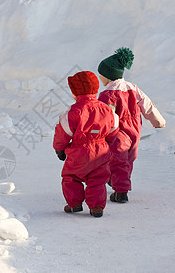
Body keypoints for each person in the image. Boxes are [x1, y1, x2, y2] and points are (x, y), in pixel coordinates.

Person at [97, 47, 166, 203]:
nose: (100, 79)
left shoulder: (108, 95)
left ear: (108, 76)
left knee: (118, 160)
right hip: (135, 130)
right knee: (128, 159)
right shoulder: (133, 88)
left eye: (101, 76)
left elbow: (105, 116)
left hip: (118, 132)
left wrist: (99, 132)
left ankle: (121, 191)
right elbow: (147, 105)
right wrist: (158, 121)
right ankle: (119, 182)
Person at [53, 71, 119, 217]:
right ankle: (96, 207)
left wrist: (59, 149)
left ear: (75, 92)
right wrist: (107, 142)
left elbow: (63, 132)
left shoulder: (73, 112)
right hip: (101, 151)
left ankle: (74, 203)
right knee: (97, 179)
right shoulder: (107, 110)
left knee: (71, 177)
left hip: (79, 152)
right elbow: (114, 128)